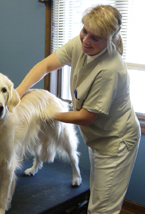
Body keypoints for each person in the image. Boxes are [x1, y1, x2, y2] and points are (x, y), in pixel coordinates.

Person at [16, 5, 141, 214]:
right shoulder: (82, 44)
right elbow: (45, 66)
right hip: (98, 138)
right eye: (84, 31)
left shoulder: (110, 70)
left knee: (102, 209)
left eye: (95, 38)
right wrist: (18, 92)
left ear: (110, 39)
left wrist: (43, 113)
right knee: (98, 198)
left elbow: (85, 117)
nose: (86, 40)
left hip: (115, 142)